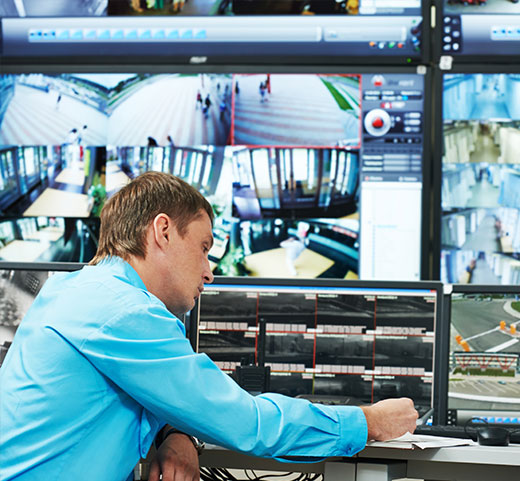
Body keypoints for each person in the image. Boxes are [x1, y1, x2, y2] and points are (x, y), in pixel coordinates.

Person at [0, 172, 418, 480]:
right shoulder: (125, 313)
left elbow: (122, 395)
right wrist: (367, 422)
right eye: (203, 248)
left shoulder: (74, 289)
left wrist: (176, 432)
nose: (209, 270)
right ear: (162, 232)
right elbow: (246, 423)